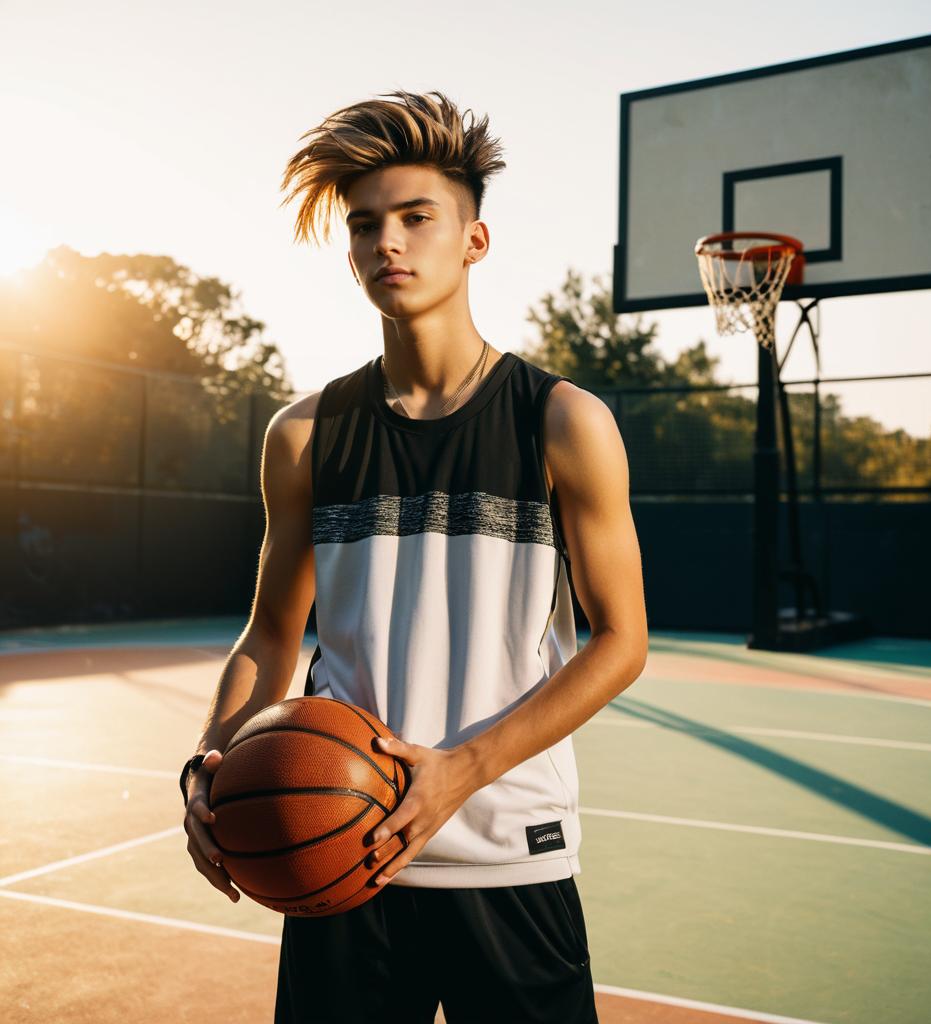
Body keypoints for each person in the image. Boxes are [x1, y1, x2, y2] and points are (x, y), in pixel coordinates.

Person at [181, 89, 648, 1024]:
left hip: (510, 852)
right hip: (338, 865)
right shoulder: (307, 434)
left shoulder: (561, 421)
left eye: (416, 218)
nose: (387, 242)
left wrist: (460, 771)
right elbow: (271, 634)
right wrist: (209, 754)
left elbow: (620, 643)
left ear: (474, 240)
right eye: (365, 227)